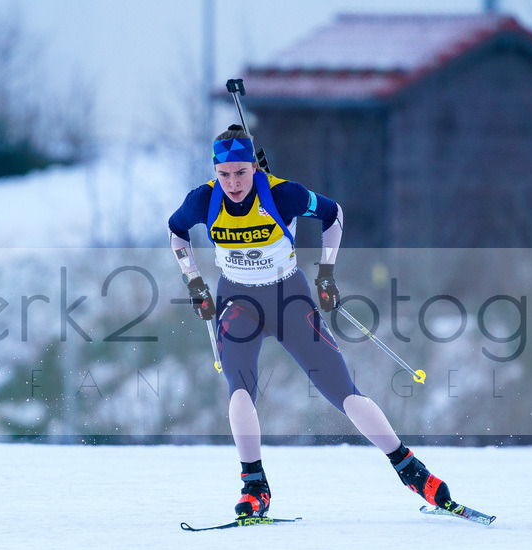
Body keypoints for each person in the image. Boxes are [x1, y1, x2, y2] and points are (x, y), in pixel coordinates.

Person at [167, 125, 453, 516]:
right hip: (237, 301)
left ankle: (411, 471)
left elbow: (333, 215)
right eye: (224, 174)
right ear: (215, 172)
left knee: (343, 392)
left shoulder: (283, 193)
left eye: (241, 172)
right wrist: (194, 280)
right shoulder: (202, 200)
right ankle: (254, 486)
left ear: (254, 167)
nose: (232, 183)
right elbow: (176, 231)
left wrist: (326, 273)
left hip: (289, 297)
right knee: (239, 391)